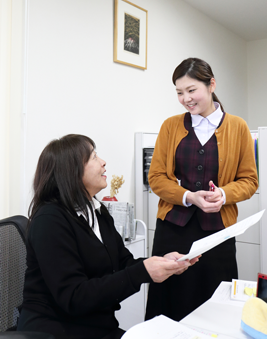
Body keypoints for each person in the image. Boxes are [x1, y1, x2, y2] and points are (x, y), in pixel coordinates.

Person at [17, 134, 199, 339]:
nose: (103, 162)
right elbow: (74, 297)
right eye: (94, 157)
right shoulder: (49, 220)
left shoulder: (97, 211)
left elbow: (123, 263)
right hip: (57, 330)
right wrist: (143, 272)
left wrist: (158, 263)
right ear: (71, 170)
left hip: (97, 327)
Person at [145, 57, 258, 322]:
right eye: (179, 93)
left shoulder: (238, 127)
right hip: (172, 232)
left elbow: (249, 180)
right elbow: (157, 177)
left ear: (211, 85)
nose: (186, 99)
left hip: (218, 234)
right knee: (168, 303)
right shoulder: (170, 126)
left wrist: (225, 194)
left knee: (216, 304)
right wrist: (188, 197)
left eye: (191, 90)